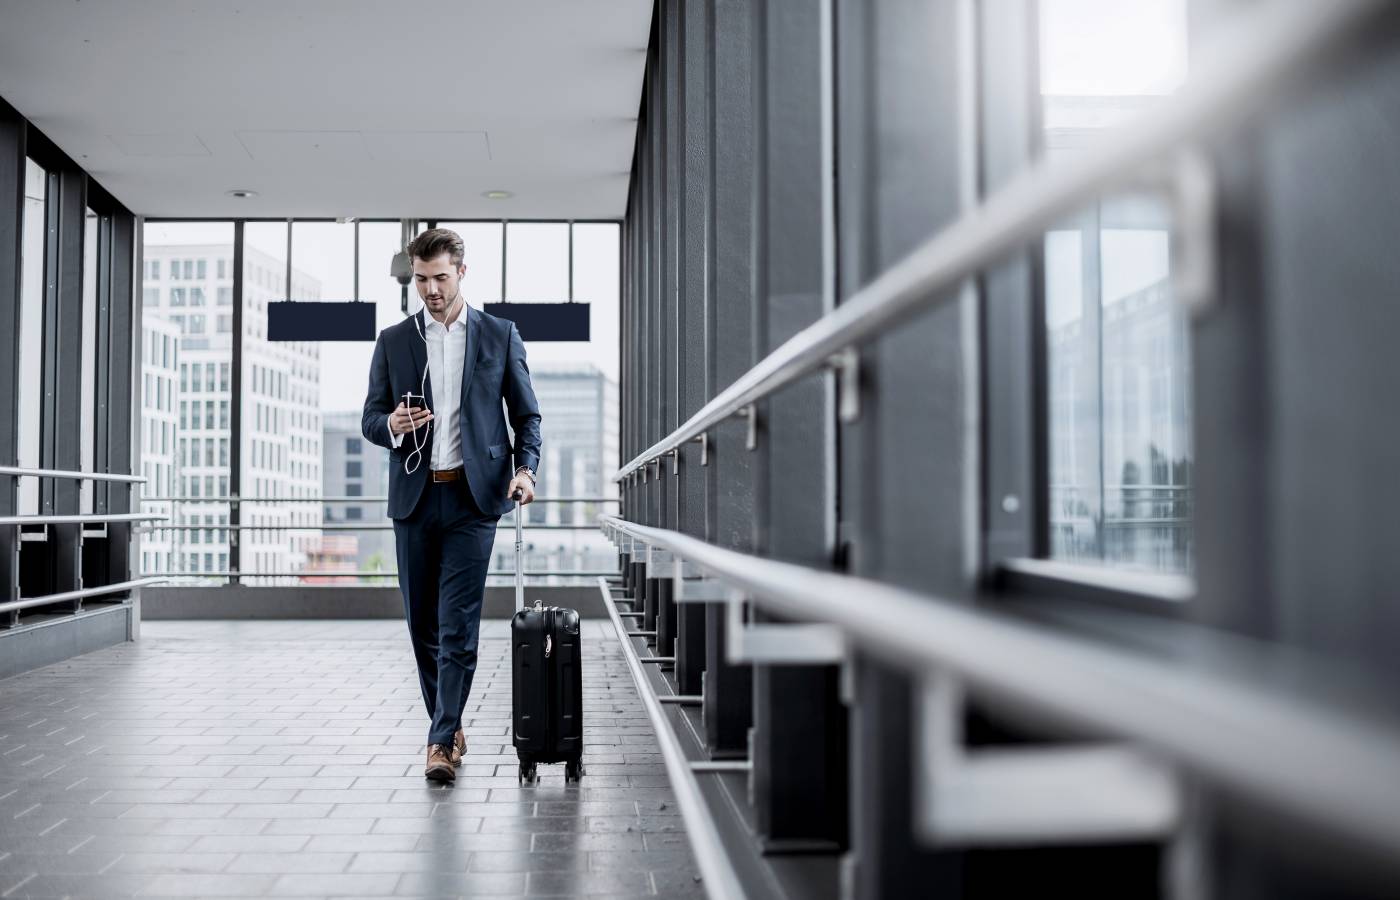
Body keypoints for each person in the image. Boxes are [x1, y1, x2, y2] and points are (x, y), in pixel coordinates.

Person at [361, 228, 541, 782]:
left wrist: (525, 469)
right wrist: (390, 425)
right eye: (420, 279)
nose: (430, 290)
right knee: (422, 627)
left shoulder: (499, 335)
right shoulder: (394, 341)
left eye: (440, 277)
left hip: (473, 498)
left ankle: (440, 741)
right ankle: (451, 720)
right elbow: (369, 418)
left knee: (458, 624)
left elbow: (527, 416)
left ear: (462, 272)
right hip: (415, 499)